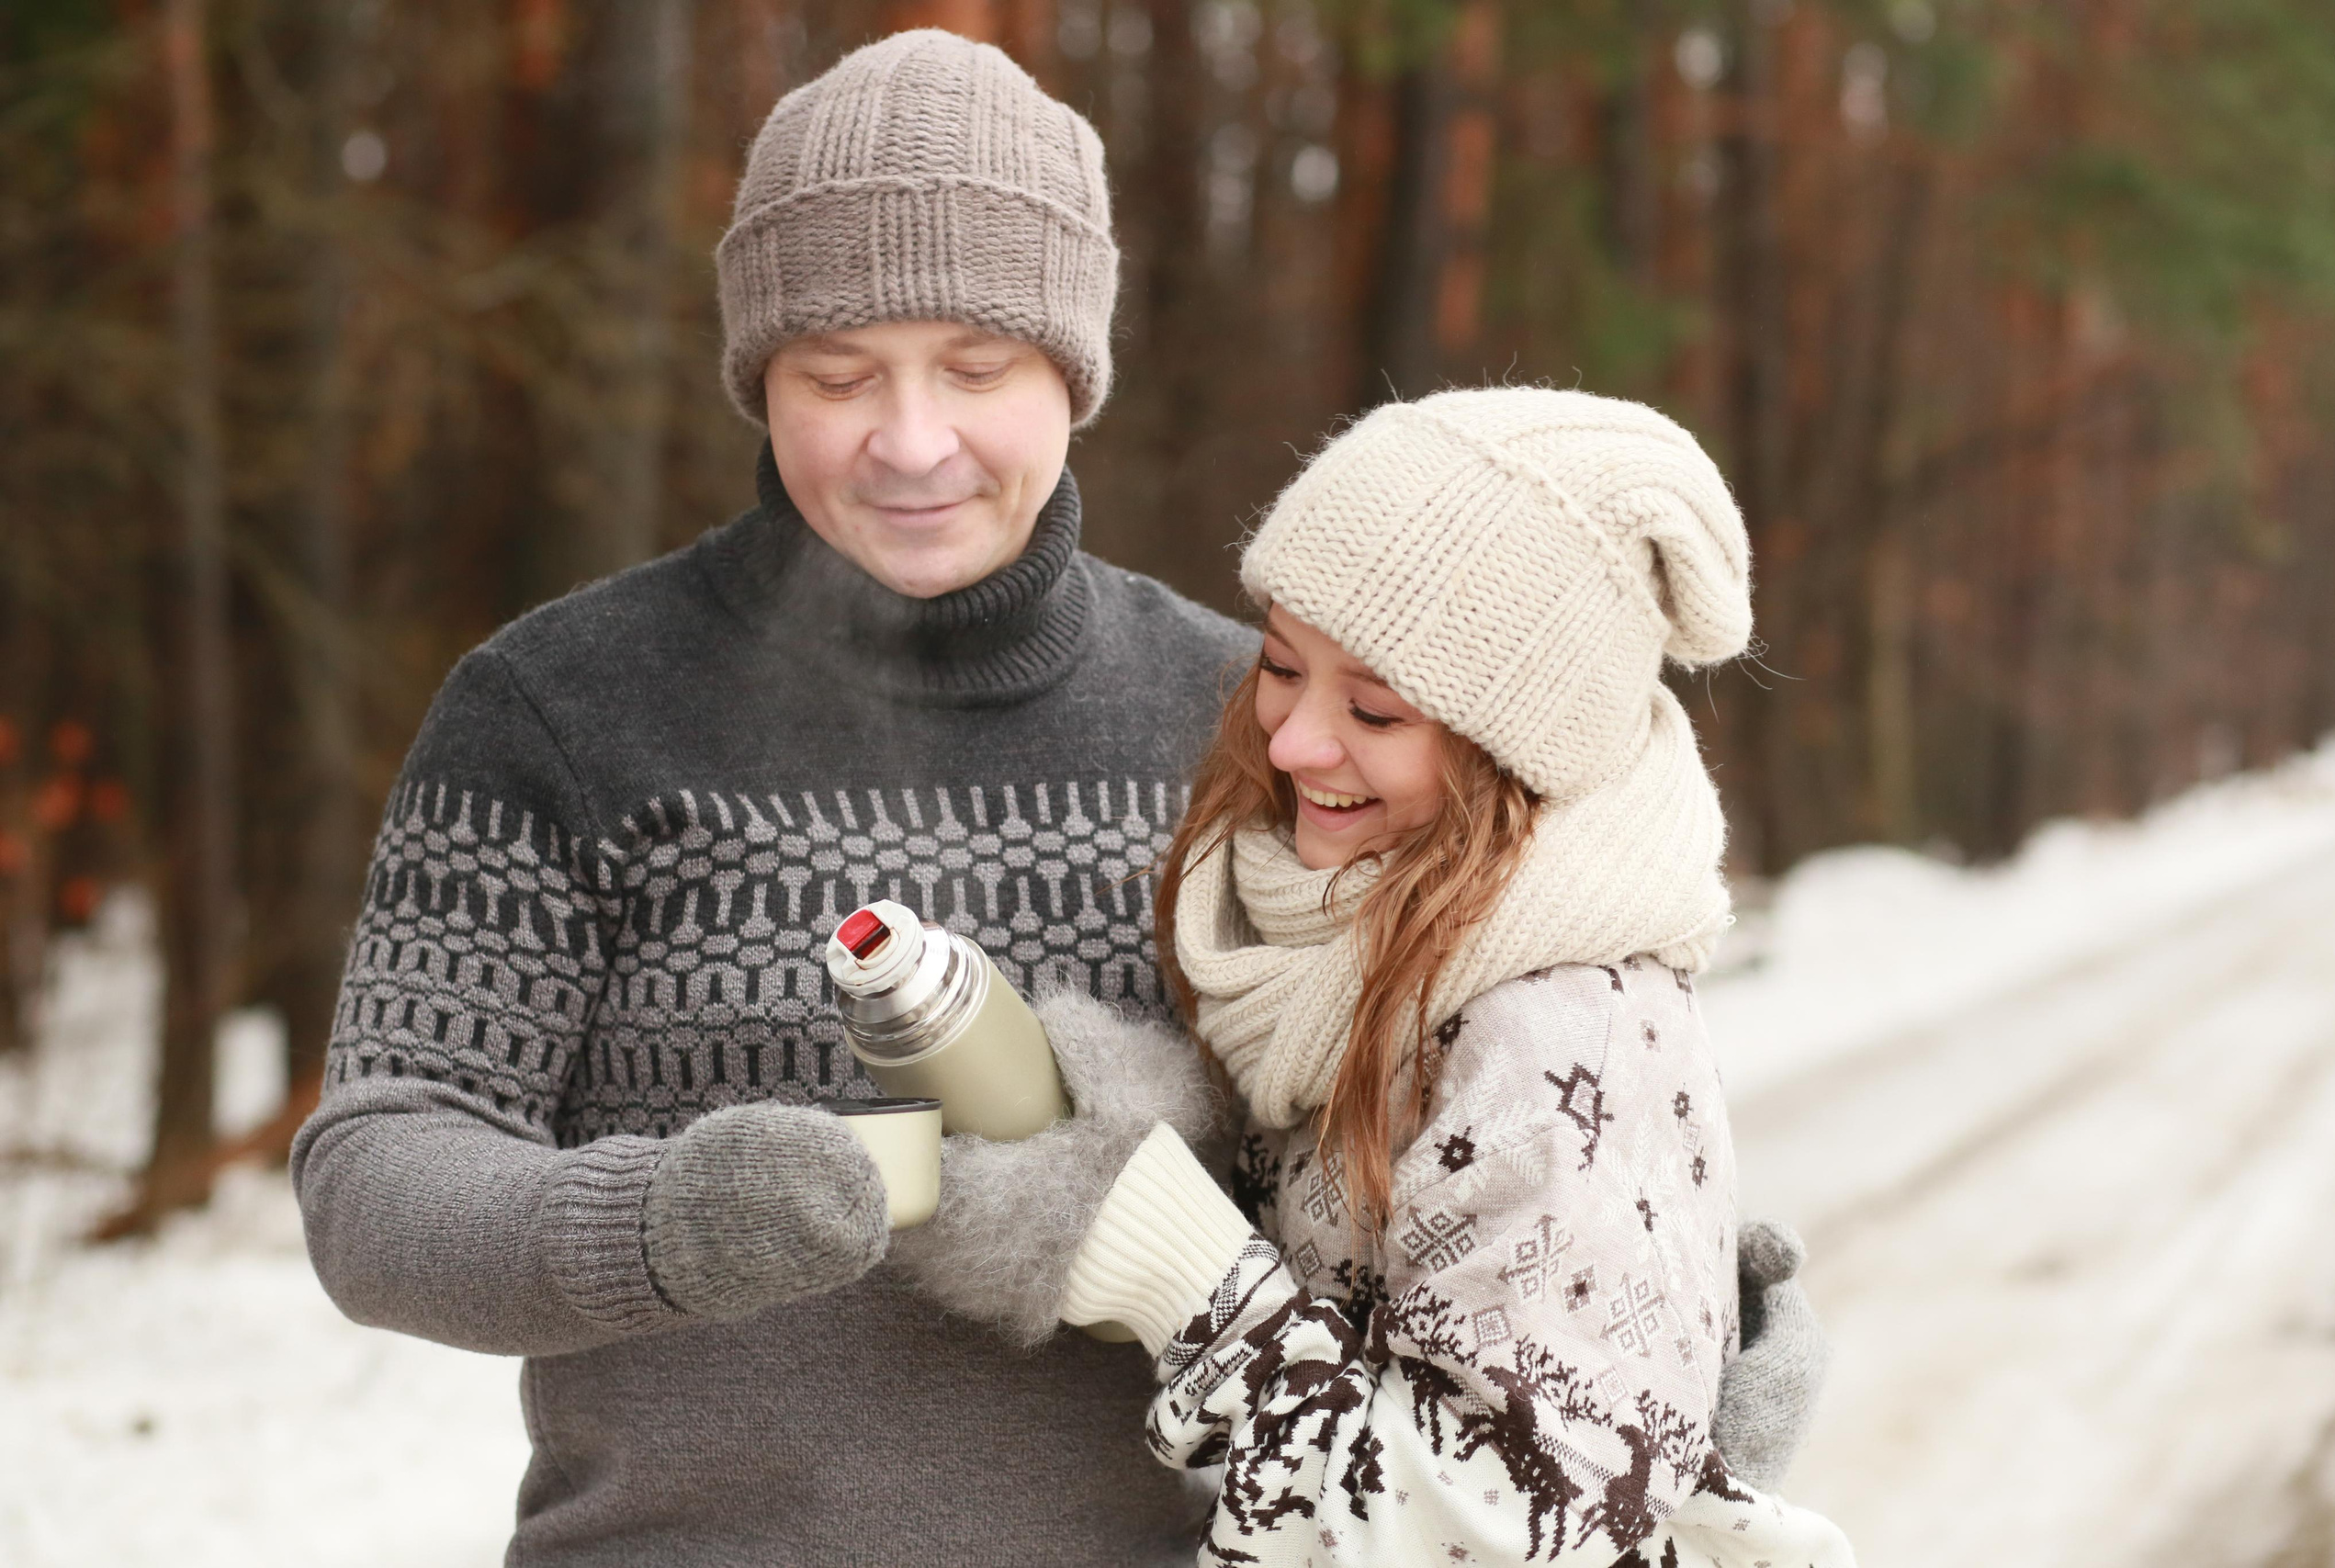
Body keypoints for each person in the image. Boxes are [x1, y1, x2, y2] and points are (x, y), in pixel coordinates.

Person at [289, 30, 1823, 1566]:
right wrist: (661, 1226)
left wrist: (1636, 1369)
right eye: (838, 375)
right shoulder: (556, 712)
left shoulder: (1259, 727)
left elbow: (1484, 1090)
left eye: (976, 367)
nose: (911, 439)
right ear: (759, 372)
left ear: (1075, 371)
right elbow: (381, 1174)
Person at [1052, 387, 1856, 1565]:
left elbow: (1492, 1533)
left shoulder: (1550, 1027)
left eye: (1372, 708)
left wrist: (1195, 1285)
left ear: (1513, 747)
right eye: (1280, 666)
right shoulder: (1342, 941)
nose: (1291, 743)